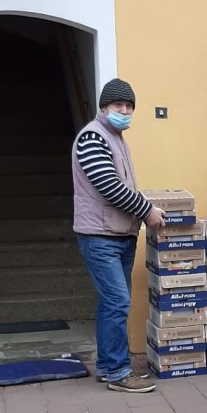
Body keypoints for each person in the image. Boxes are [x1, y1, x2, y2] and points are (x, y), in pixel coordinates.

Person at [73, 78, 166, 393]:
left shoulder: (115, 138)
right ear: (104, 107)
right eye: (118, 105)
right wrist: (146, 210)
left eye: (129, 106)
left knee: (110, 303)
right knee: (117, 301)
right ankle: (118, 372)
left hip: (119, 234)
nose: (125, 111)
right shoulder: (93, 137)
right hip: (100, 236)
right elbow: (109, 186)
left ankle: (106, 366)